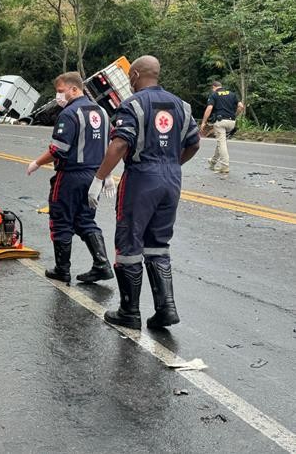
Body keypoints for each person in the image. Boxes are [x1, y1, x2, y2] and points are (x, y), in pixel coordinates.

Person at [89, 55, 200, 329]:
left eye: (130, 76)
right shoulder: (182, 105)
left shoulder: (133, 104)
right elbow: (195, 144)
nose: (129, 80)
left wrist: (99, 178)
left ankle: (129, 311)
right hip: (171, 178)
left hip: (141, 178)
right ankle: (166, 309)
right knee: (158, 243)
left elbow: (119, 145)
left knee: (129, 242)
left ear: (136, 75)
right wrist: (172, 163)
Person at [27, 72, 114, 285]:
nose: (58, 96)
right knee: (85, 219)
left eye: (60, 91)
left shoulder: (69, 114)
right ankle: (102, 264)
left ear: (74, 89)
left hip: (71, 176)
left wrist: (37, 162)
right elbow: (109, 143)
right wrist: (107, 174)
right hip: (95, 176)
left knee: (60, 220)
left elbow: (58, 150)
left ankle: (62, 269)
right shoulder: (102, 112)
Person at [200, 81, 244, 174]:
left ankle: (225, 166)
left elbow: (209, 108)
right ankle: (213, 161)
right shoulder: (232, 94)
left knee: (222, 143)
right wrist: (235, 115)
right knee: (221, 142)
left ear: (214, 87)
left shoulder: (214, 95)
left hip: (220, 122)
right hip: (231, 122)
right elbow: (241, 106)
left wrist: (203, 122)